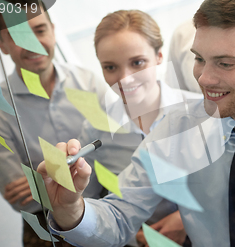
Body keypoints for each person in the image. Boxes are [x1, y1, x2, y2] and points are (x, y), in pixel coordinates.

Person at [39, 0, 235, 246]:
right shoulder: (178, 131)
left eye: (224, 63)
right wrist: (71, 210)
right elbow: (121, 216)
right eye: (199, 58)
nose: (204, 79)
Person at [0, 1, 108, 246]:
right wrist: (88, 166)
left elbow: (118, 160)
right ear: (2, 44)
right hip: (48, 230)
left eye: (39, 30)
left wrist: (41, 181)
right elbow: (20, 199)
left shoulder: (90, 83)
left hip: (105, 210)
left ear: (53, 30)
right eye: (17, 34)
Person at [80, 9, 202, 246]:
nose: (124, 79)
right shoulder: (96, 131)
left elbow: (231, 188)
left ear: (158, 56)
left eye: (137, 63)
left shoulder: (200, 112)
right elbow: (89, 203)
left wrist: (185, 220)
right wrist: (131, 235)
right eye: (110, 67)